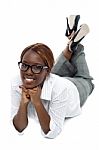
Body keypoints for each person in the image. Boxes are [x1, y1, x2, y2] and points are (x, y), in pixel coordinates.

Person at [11, 15, 94, 139]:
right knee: (38, 72)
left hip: (75, 89)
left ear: (48, 71)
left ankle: (74, 46)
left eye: (36, 67)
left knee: (87, 80)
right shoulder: (17, 82)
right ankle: (71, 43)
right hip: (48, 79)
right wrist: (23, 104)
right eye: (24, 65)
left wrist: (37, 102)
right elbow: (19, 127)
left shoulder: (59, 88)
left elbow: (51, 132)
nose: (28, 72)